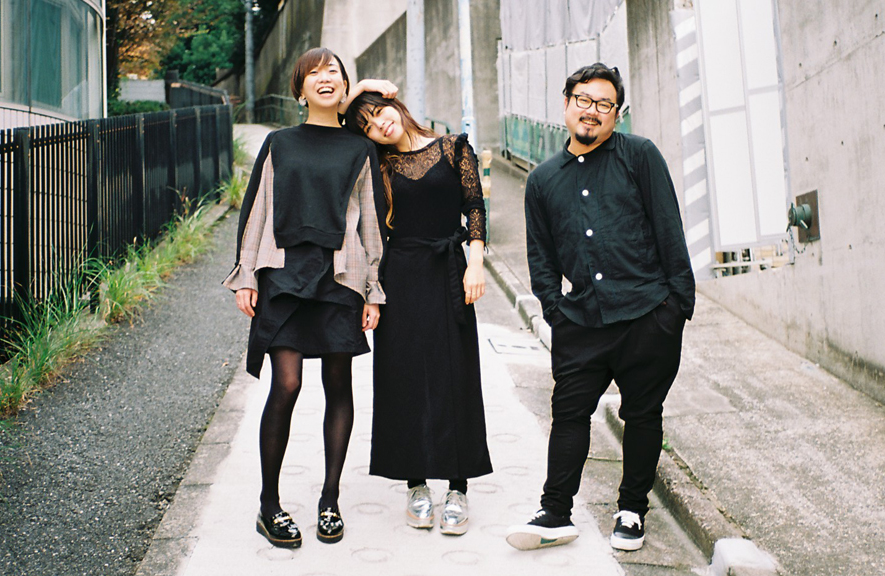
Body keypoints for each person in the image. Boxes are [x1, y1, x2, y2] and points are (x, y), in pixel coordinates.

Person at [506, 62, 695, 552]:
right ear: (566, 104)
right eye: (584, 100)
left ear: (617, 113)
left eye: (604, 104)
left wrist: (676, 309)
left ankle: (631, 510)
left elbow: (669, 229)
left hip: (648, 315)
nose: (592, 111)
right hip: (582, 321)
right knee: (569, 414)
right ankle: (555, 512)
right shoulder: (543, 180)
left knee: (643, 414)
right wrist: (556, 311)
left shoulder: (640, 156)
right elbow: (541, 257)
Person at [223, 47, 386, 548]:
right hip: (284, 276)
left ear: (345, 86)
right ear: (299, 90)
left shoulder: (360, 149)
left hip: (340, 278)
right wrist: (246, 275)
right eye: (313, 73)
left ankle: (330, 500)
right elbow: (256, 211)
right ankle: (269, 504)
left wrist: (373, 289)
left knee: (339, 383)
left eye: (332, 71)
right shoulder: (279, 143)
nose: (324, 78)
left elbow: (371, 222)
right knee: (287, 384)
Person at [342, 87, 493, 536]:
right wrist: (363, 91)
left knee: (456, 373)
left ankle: (458, 487)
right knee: (404, 376)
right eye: (368, 125)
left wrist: (475, 262)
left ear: (397, 104)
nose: (379, 124)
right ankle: (416, 484)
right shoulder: (376, 164)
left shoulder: (453, 147)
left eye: (380, 112)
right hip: (400, 276)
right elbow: (337, 123)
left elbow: (474, 207)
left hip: (449, 270)